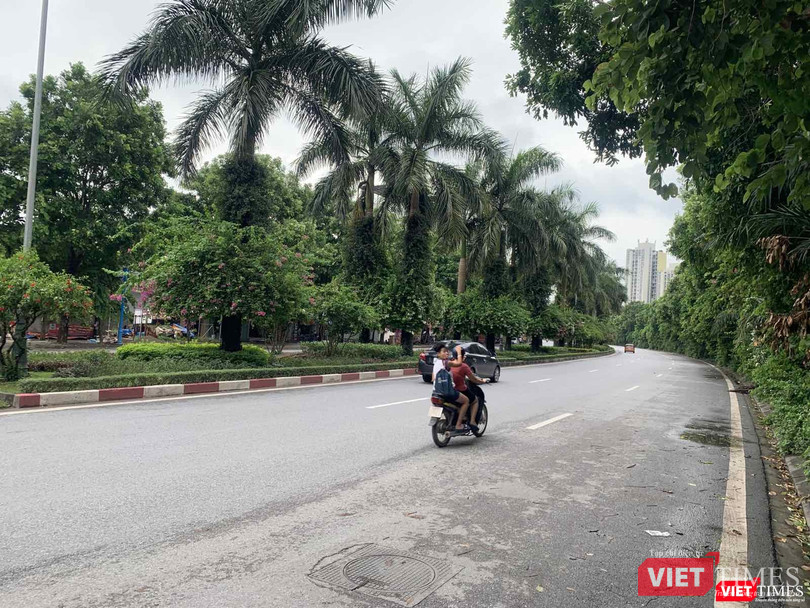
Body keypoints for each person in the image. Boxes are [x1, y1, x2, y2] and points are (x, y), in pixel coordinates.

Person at [432, 344, 470, 434]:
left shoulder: (436, 362)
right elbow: (459, 363)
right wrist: (459, 353)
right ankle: (458, 425)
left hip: (436, 392)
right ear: (438, 354)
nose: (446, 353)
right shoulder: (446, 362)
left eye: (447, 351)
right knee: (466, 401)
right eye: (444, 351)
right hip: (447, 392)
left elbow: (433, 378)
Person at [450, 348, 490, 432]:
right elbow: (474, 379)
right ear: (463, 356)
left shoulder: (449, 363)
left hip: (450, 389)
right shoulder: (464, 366)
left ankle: (463, 416)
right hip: (460, 390)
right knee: (475, 400)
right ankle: (472, 421)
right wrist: (482, 381)